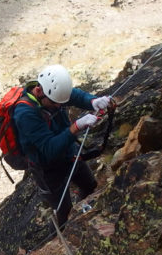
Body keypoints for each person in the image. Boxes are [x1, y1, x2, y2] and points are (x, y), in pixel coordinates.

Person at [12, 64, 114, 226]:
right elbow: (49, 149)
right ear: (39, 92)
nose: (60, 106)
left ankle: (82, 212)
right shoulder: (25, 114)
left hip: (69, 154)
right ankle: (59, 236)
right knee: (63, 210)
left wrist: (93, 101)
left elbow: (73, 96)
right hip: (47, 168)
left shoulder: (52, 95)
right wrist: (76, 127)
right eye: (56, 103)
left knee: (90, 185)